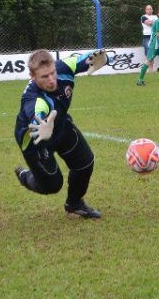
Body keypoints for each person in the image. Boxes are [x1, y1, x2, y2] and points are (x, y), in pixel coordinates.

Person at [12, 48, 103, 218]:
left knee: (85, 162)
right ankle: (26, 176)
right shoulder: (33, 98)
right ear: (32, 76)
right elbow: (36, 114)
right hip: (36, 139)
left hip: (60, 125)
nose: (51, 79)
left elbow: (88, 58)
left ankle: (74, 204)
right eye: (44, 77)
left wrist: (105, 58)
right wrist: (43, 124)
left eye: (52, 73)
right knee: (52, 185)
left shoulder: (63, 68)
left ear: (54, 66)